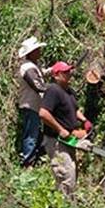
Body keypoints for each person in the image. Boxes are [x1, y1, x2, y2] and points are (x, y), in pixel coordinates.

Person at [38, 61, 92, 199]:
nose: (69, 74)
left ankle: (68, 203)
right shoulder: (53, 90)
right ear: (56, 75)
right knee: (66, 174)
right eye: (65, 72)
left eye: (69, 71)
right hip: (56, 140)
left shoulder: (69, 91)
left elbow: (75, 110)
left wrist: (84, 120)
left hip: (69, 139)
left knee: (72, 172)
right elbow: (43, 113)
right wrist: (60, 129)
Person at [17, 36, 50, 167]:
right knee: (31, 135)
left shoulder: (33, 66)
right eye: (37, 49)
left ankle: (33, 159)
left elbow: (41, 74)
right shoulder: (28, 68)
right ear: (31, 52)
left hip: (34, 106)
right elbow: (38, 85)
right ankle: (27, 163)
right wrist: (53, 90)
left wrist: (54, 70)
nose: (40, 51)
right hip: (31, 106)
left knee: (34, 133)